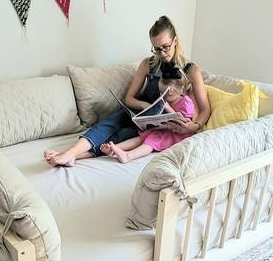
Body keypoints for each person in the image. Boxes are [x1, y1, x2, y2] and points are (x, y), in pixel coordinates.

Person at [44, 15, 211, 166]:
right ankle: (70, 152)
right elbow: (129, 98)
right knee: (109, 123)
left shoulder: (191, 70)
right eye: (156, 49)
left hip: (156, 127)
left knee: (119, 138)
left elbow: (205, 109)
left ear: (175, 41)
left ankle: (73, 157)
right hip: (138, 114)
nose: (162, 53)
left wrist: (192, 127)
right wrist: (146, 106)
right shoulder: (149, 64)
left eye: (165, 47)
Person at [100, 68, 195, 163]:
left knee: (152, 140)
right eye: (162, 92)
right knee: (143, 136)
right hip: (164, 130)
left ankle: (128, 156)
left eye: (169, 94)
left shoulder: (186, 102)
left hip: (178, 135)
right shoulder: (166, 99)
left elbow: (183, 122)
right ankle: (114, 149)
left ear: (181, 90)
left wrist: (168, 107)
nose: (165, 96)